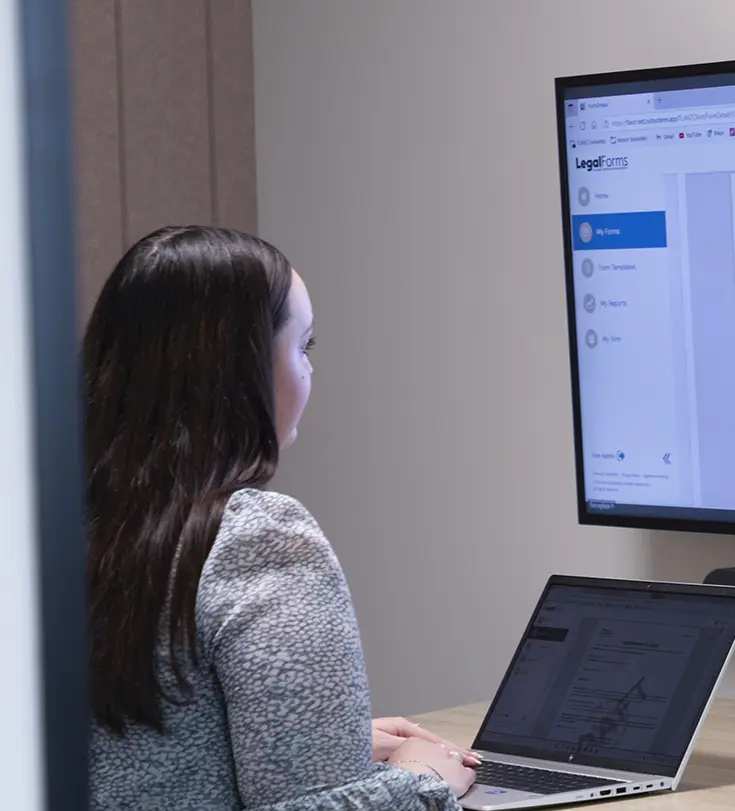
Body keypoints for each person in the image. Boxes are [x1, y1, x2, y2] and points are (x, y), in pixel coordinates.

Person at [85, 226, 477, 809]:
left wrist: (316, 743)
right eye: (304, 346)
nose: (309, 371)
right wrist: (423, 781)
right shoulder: (256, 539)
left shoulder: (54, 525)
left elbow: (132, 752)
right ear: (238, 370)